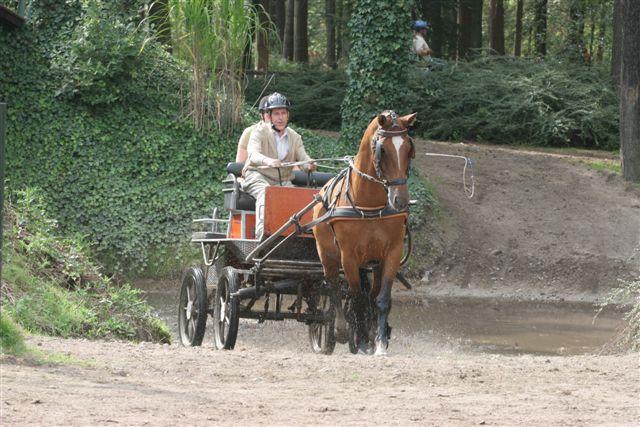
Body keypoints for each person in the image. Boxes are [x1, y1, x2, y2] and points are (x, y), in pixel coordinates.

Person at [242, 92, 316, 238]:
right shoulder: (259, 131)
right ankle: (262, 236)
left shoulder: (295, 137)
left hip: (283, 180)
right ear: (269, 116)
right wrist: (268, 161)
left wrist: (309, 165)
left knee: (297, 200)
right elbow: (253, 154)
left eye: (283, 113)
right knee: (267, 194)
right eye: (276, 113)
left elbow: (303, 158)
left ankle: (298, 238)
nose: (280, 117)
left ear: (288, 115)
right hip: (257, 176)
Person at [235, 95, 270, 163]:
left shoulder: (289, 134)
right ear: (261, 114)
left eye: (276, 113)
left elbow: (293, 165)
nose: (272, 116)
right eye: (268, 112)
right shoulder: (249, 132)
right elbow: (240, 163)